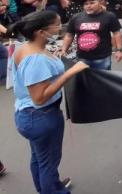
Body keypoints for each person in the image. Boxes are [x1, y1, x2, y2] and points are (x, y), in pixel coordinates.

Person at [9, 11, 88, 193]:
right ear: (41, 32)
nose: (60, 27)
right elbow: (39, 98)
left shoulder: (27, 47)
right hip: (40, 116)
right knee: (48, 163)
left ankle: (49, 186)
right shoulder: (35, 59)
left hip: (29, 115)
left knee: (40, 159)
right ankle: (52, 189)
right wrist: (70, 72)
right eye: (57, 24)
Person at [61, 0, 122, 70]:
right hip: (82, 58)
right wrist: (64, 50)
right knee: (84, 81)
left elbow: (116, 33)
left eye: (92, 3)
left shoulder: (109, 16)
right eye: (86, 4)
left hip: (102, 58)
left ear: (100, 2)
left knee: (101, 81)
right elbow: (69, 35)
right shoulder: (76, 17)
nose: (89, 6)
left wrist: (119, 50)